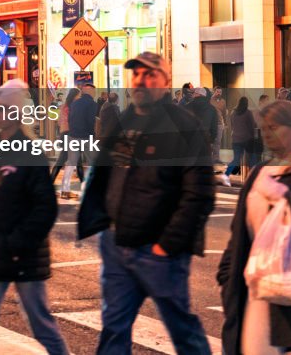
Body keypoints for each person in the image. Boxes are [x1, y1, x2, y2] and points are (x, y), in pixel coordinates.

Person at [78, 51, 215, 355]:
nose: (141, 80)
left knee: (182, 329)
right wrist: (101, 223)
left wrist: (167, 244)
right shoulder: (124, 120)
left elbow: (200, 193)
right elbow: (106, 175)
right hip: (117, 245)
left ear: (166, 82)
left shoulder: (183, 125)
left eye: (150, 74)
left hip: (158, 251)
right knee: (114, 329)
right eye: (136, 74)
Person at [0, 80, 69, 355]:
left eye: (0, 109)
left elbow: (45, 208)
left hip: (23, 256)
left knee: (41, 325)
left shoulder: (30, 152)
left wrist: (16, 242)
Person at [218, 100, 291, 355]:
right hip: (258, 291)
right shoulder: (261, 171)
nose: (267, 135)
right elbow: (240, 232)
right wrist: (227, 278)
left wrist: (282, 194)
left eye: (274, 128)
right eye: (264, 129)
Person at [60, 84, 97, 199]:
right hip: (86, 137)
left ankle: (65, 190)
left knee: (71, 163)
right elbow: (90, 121)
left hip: (73, 136)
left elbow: (71, 119)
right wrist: (92, 135)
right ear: (90, 91)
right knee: (93, 162)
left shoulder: (75, 103)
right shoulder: (92, 104)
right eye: (94, 91)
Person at [188, 87, 225, 184]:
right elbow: (214, 127)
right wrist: (212, 139)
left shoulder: (188, 106)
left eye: (194, 93)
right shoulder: (211, 109)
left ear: (197, 95)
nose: (193, 95)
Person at [225, 96, 259, 178]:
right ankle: (253, 176)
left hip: (236, 139)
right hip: (247, 139)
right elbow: (252, 126)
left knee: (236, 159)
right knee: (252, 158)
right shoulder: (248, 113)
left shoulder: (233, 113)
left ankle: (226, 174)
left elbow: (232, 125)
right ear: (246, 104)